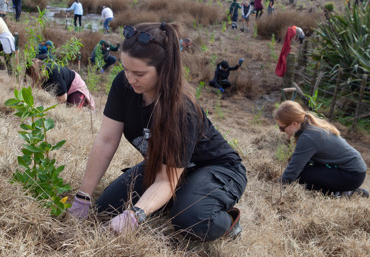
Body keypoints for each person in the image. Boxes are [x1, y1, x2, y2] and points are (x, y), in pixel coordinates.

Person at [68, 23, 247, 241]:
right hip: (165, 165)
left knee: (191, 220)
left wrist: (135, 215)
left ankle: (226, 222)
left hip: (215, 168)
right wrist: (83, 196)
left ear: (164, 69)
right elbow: (106, 140)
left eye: (139, 73)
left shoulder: (181, 110)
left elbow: (165, 180)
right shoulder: (124, 86)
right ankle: (177, 198)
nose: (130, 78)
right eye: (125, 69)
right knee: (106, 209)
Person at [274, 101, 369, 198]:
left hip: (352, 175)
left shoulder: (308, 137)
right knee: (304, 172)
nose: (281, 131)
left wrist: (277, 187)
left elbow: (294, 169)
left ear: (294, 123)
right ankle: (343, 190)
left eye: (282, 128)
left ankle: (340, 193)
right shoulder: (308, 124)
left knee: (301, 176)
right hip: (351, 171)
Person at [26, 59, 95, 110]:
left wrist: (48, 101)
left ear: (40, 71)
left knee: (72, 110)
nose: (34, 80)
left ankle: (86, 110)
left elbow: (63, 98)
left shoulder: (54, 74)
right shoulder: (40, 75)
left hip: (75, 86)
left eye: (35, 77)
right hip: (65, 89)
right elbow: (34, 88)